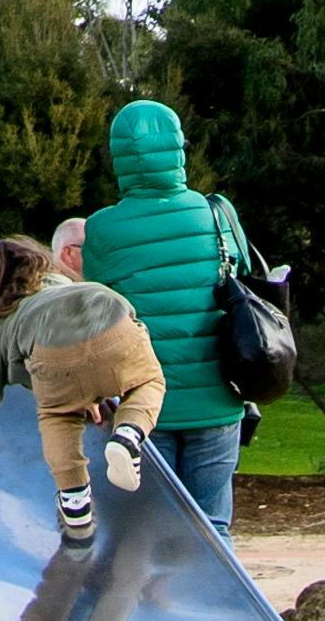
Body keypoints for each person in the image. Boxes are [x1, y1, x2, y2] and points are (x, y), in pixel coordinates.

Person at [78, 97, 261, 530]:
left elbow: (95, 317)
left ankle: (151, 601)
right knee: (213, 529)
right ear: (179, 149)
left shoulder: (102, 229)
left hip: (143, 407)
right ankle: (216, 600)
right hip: (219, 398)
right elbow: (246, 281)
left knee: (145, 536)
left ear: (119, 158)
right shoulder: (216, 213)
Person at [0, 237, 160, 553]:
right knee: (148, 382)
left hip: (51, 351)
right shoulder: (59, 282)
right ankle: (128, 433)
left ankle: (75, 501)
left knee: (58, 416)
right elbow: (90, 339)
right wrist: (94, 391)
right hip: (109, 311)